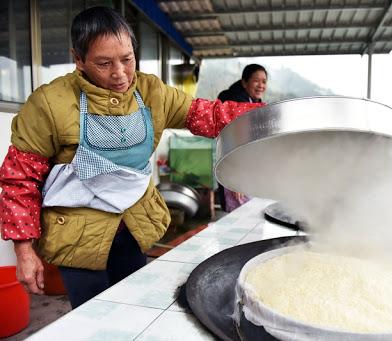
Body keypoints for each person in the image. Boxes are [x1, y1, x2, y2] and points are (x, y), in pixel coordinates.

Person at [0, 7, 262, 309]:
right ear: (78, 59)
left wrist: (266, 118)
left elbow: (209, 115)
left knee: (133, 307)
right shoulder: (50, 103)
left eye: (127, 59)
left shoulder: (152, 92)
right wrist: (23, 249)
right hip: (77, 237)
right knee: (92, 317)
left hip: (133, 225)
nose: (120, 74)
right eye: (104, 63)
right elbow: (21, 176)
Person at [217, 64, 268, 212]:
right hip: (236, 172)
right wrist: (234, 180)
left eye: (264, 81)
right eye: (256, 81)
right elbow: (230, 143)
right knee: (241, 219)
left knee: (253, 218)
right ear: (244, 82)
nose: (261, 85)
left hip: (250, 171)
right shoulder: (234, 104)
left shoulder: (254, 103)